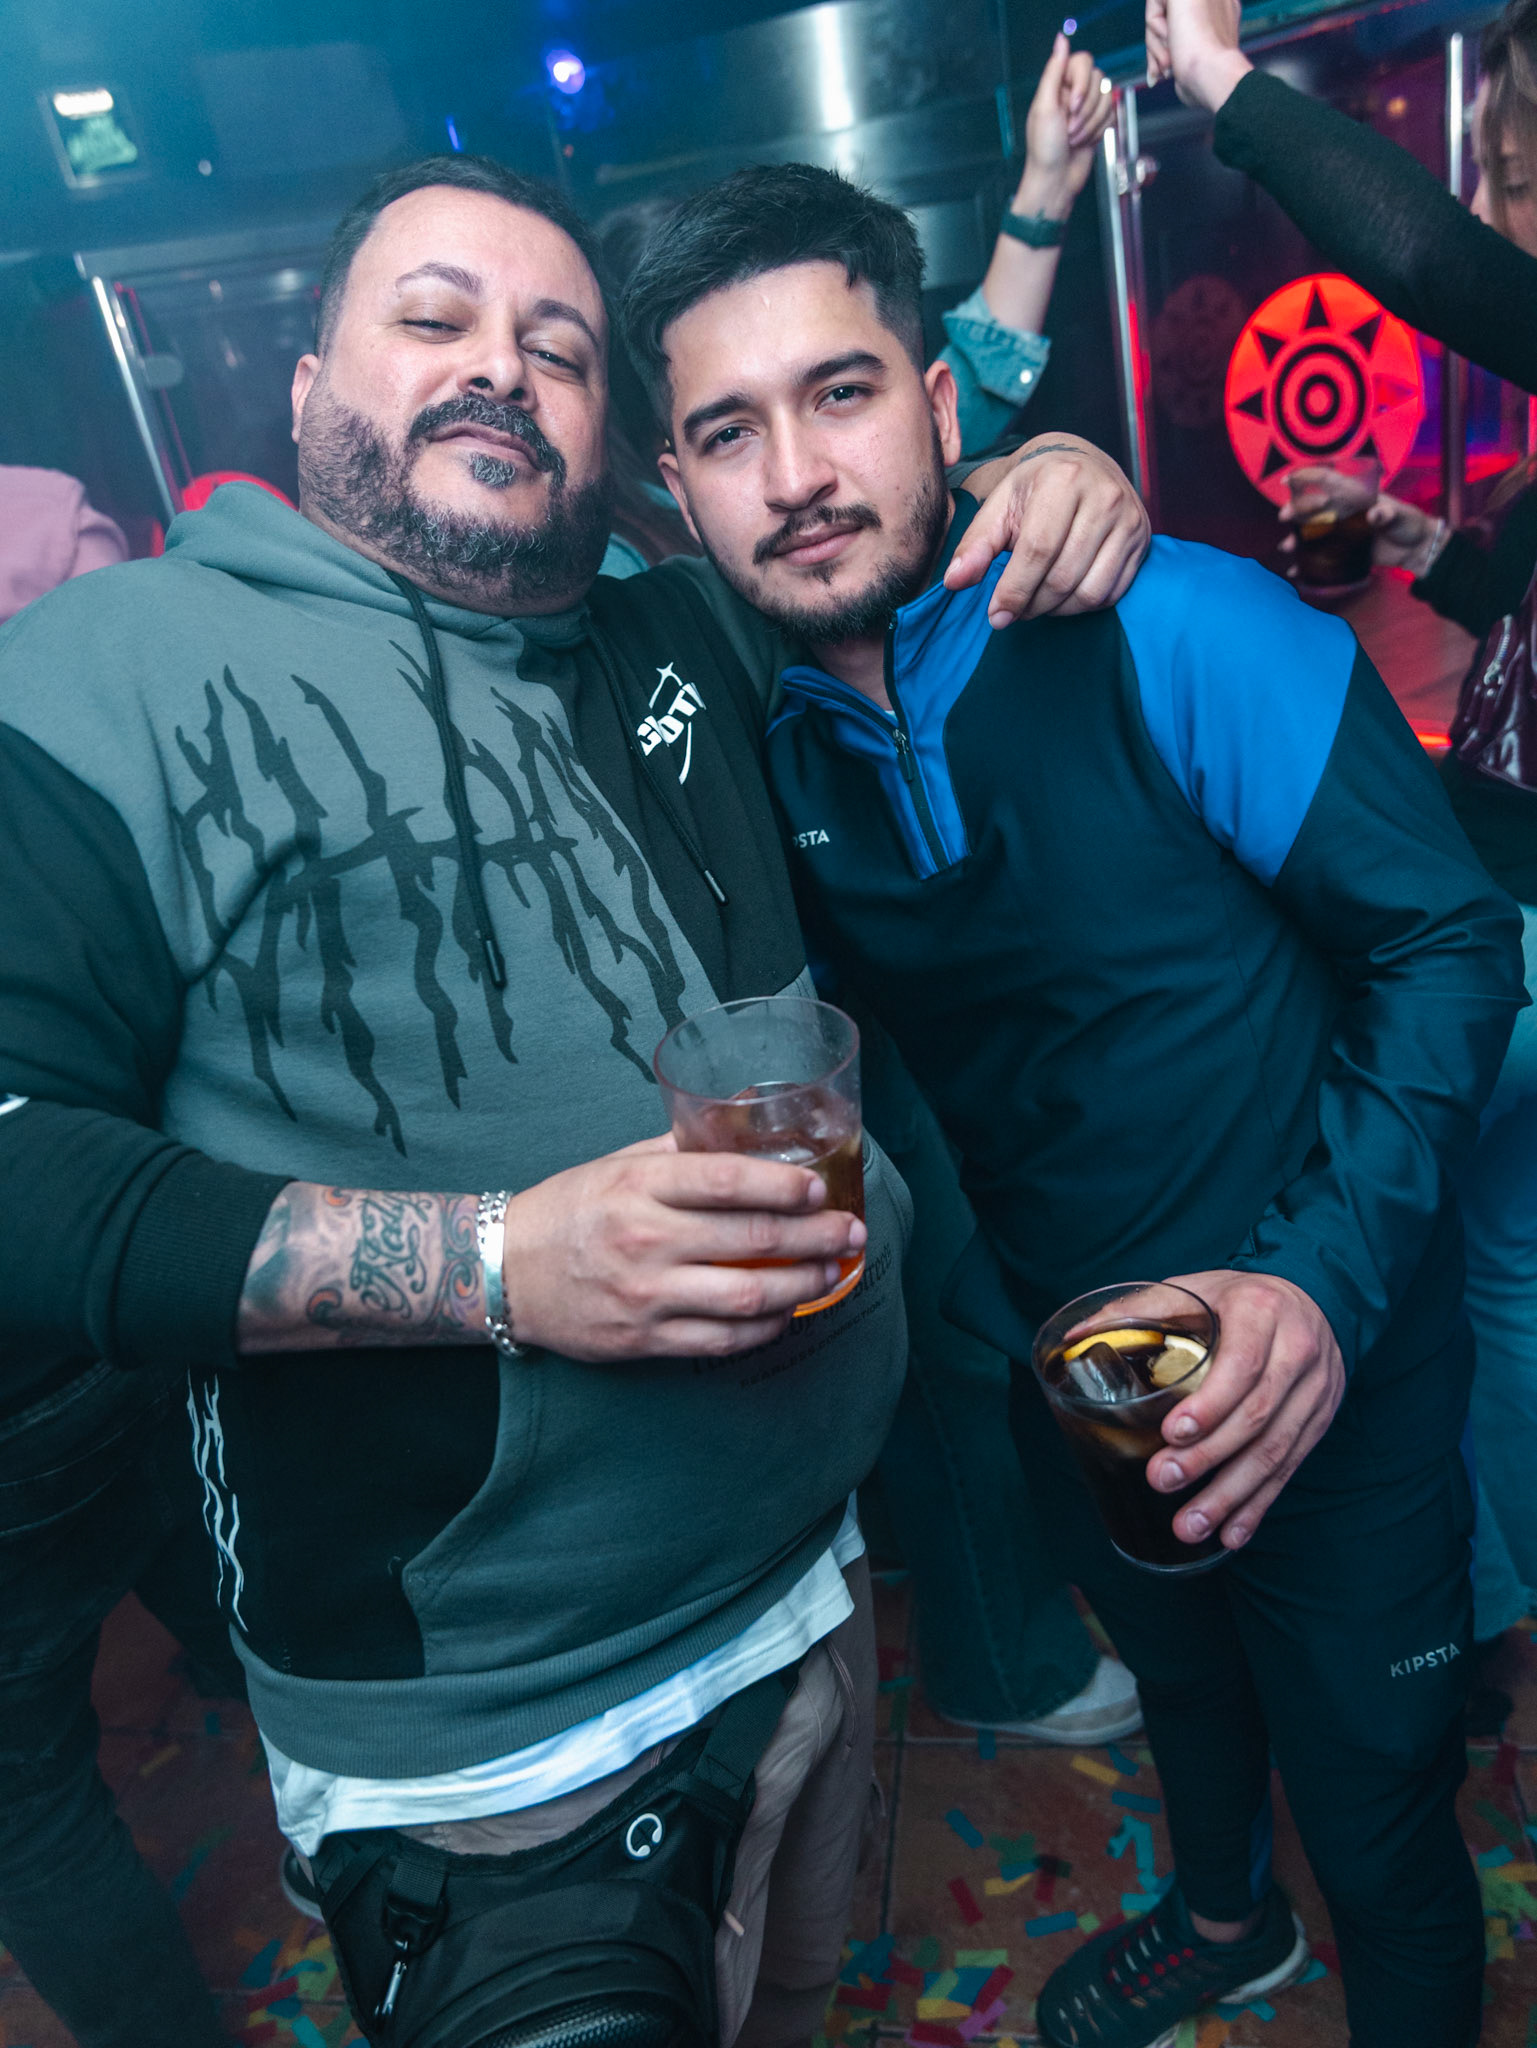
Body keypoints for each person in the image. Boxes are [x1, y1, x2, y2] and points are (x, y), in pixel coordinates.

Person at [0, 153, 1149, 2047]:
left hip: (804, 1591)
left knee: (791, 2010)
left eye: (555, 346)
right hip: (500, 1739)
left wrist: (1044, 468)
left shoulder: (668, 630)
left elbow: (854, 487)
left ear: (609, 434)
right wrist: (501, 1263)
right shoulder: (117, 666)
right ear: (307, 383)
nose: (496, 368)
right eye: (432, 318)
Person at [620, 160, 1528, 2048]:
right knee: (1184, 1682)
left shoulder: (1170, 624)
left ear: (940, 403)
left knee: (1372, 1802)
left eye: (840, 393)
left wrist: (1315, 1292)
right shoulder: (762, 749)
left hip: (1334, 1334)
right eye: (727, 430)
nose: (795, 472)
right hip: (1086, 1356)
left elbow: (1447, 946)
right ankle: (1225, 1923)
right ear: (678, 489)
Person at [597, 40, 1143, 1750]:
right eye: (721, 422)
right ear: (665, 453)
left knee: (955, 1320)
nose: (788, 463)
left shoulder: (796, 522)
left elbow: (925, 403)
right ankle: (1001, 1657)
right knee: (938, 1341)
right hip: (756, 1065)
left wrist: (1044, 457)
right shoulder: (632, 594)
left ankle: (993, 1611)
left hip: (881, 1019)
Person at [1147, 0, 1537, 1652]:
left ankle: (1434, 1621)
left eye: (1509, 164)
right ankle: (1495, 1612)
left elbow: (1436, 267)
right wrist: (1402, 531)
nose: (1493, 200)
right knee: (1504, 1268)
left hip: (1517, 920)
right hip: (1508, 895)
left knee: (1393, 1250)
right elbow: (1517, 597)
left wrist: (1220, 83)